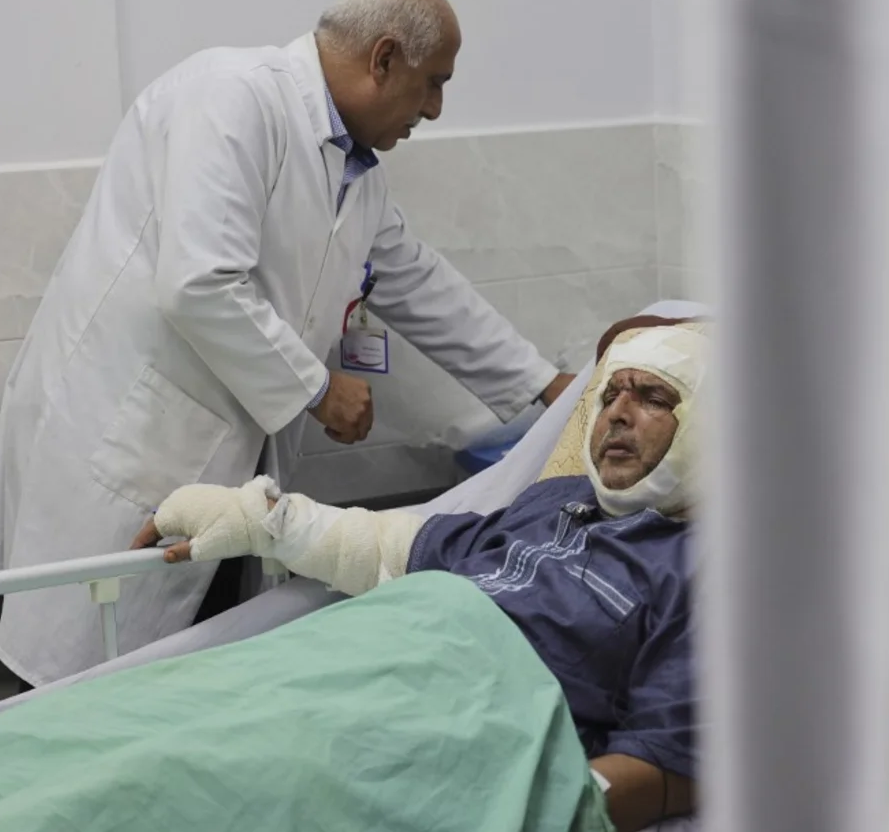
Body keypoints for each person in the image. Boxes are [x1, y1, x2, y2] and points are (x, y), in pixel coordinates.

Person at [0, 0, 574, 688]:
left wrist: (546, 383)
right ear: (384, 60)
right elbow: (197, 283)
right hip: (129, 439)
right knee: (74, 678)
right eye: (435, 82)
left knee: (170, 675)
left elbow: (416, 279)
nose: (438, 108)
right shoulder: (232, 99)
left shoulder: (357, 168)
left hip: (225, 460)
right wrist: (319, 390)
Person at [132, 325, 706, 832]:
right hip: (342, 665)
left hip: (425, 728)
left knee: (187, 782)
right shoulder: (555, 499)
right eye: (609, 394)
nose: (616, 414)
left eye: (653, 397)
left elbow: (664, 765)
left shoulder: (706, 569)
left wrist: (548, 807)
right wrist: (262, 519)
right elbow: (398, 549)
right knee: (150, 730)